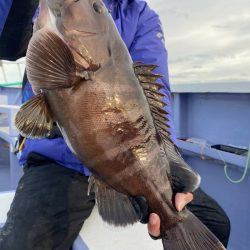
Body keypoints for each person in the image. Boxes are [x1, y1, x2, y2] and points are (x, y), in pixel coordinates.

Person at [0, 0, 230, 249]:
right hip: (57, 159)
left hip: (133, 161)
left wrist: (168, 167)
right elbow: (8, 38)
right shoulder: (47, 7)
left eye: (97, 7)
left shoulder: (140, 15)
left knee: (214, 222)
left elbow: (156, 94)